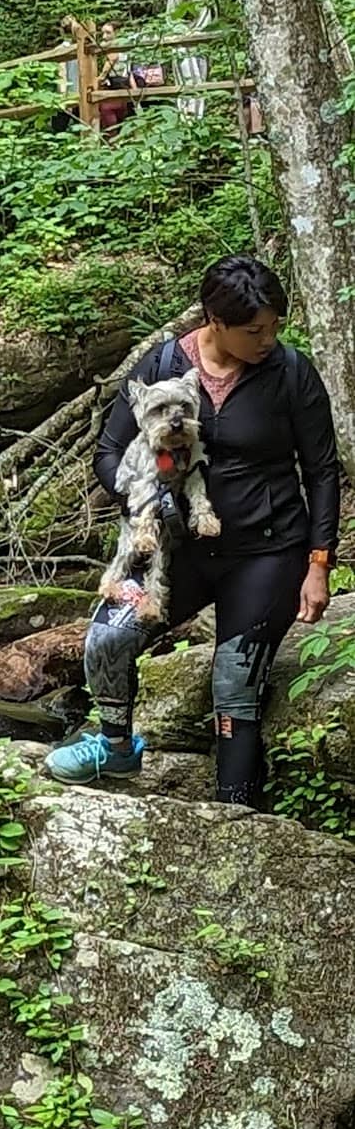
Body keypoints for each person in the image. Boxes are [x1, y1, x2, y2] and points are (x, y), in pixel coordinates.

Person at [44, 256, 339, 806]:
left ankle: (237, 812)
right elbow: (108, 452)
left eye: (274, 328)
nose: (268, 340)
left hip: (267, 552)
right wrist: (140, 497)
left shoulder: (290, 372)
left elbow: (322, 470)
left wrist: (319, 563)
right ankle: (114, 746)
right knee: (109, 637)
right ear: (214, 321)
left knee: (234, 683)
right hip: (173, 547)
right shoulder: (160, 366)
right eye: (255, 331)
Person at [167, 0, 213, 119]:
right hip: (185, 45)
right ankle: (187, 123)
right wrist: (187, 33)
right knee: (188, 83)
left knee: (201, 85)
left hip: (202, 45)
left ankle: (199, 121)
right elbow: (171, 18)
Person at [97, 22, 132, 135]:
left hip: (115, 83)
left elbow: (110, 62)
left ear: (116, 33)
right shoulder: (124, 45)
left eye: (108, 33)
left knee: (107, 110)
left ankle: (112, 137)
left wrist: (100, 78)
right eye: (103, 33)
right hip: (124, 82)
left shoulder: (115, 47)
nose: (104, 36)